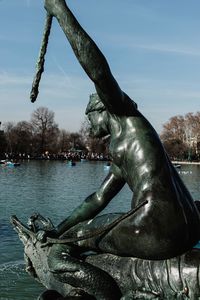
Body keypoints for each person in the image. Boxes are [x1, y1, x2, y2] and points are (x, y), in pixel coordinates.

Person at [43, 0, 200, 259]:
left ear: (103, 108)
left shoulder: (124, 116)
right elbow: (97, 199)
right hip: (189, 223)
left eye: (89, 116)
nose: (88, 123)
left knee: (80, 237)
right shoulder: (124, 143)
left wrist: (60, 11)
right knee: (85, 228)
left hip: (157, 230)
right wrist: (59, 229)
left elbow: (99, 72)